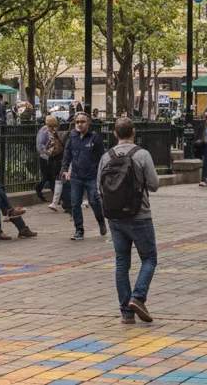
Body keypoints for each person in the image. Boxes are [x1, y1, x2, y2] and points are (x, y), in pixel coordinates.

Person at [98, 118, 160, 324]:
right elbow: (154, 185)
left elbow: (100, 188)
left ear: (115, 133)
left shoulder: (106, 156)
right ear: (134, 132)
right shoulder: (142, 155)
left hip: (115, 216)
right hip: (139, 214)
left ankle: (126, 312)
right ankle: (138, 297)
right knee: (149, 258)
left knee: (122, 263)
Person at [61, 112, 107, 240]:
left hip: (92, 176)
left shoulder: (94, 138)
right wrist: (65, 169)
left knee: (94, 201)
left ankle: (100, 220)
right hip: (76, 176)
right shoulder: (72, 136)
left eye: (82, 122)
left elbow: (101, 157)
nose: (80, 124)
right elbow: (67, 154)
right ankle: (79, 229)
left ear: (88, 123)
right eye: (77, 122)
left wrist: (101, 173)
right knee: (75, 203)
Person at [35, 118, 53, 202]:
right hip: (45, 157)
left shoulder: (49, 130)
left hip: (49, 157)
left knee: (51, 177)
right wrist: (46, 153)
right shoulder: (44, 131)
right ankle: (38, 188)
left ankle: (57, 198)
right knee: (47, 177)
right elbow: (40, 145)